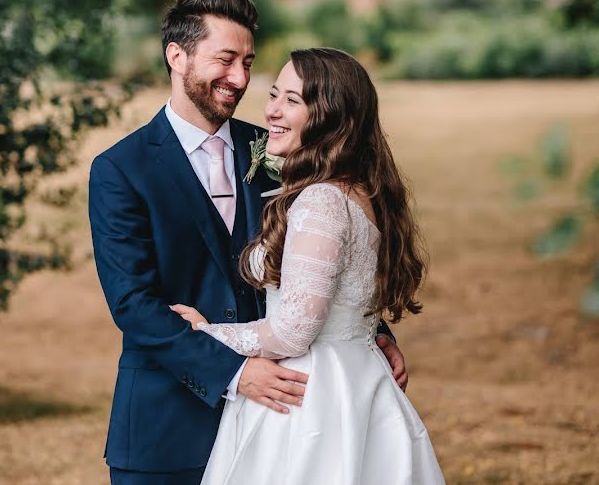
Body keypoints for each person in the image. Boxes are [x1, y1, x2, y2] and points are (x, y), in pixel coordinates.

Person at [88, 0, 408, 485]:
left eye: (249, 62)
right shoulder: (120, 170)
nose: (240, 79)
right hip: (169, 424)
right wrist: (234, 374)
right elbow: (132, 303)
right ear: (177, 55)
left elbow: (325, 257)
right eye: (225, 60)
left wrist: (372, 333)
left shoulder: (281, 149)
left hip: (285, 420)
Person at [172, 48, 444, 484]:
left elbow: (294, 329)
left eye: (292, 101)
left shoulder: (321, 200)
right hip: (358, 380)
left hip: (309, 399)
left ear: (330, 117)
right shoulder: (361, 191)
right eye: (275, 94)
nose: (272, 110)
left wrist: (205, 333)